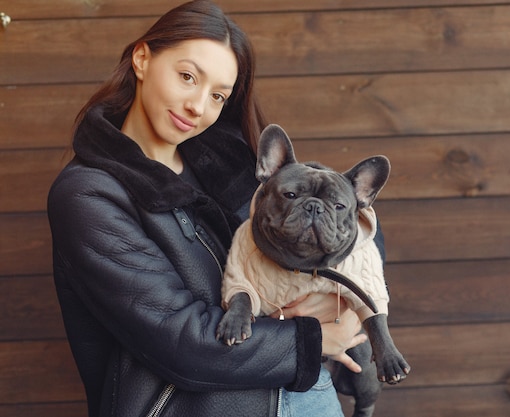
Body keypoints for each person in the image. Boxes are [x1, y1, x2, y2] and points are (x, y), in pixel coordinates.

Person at [47, 1, 371, 416]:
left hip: (300, 394)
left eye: (218, 95)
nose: (198, 107)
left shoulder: (229, 161)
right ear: (142, 59)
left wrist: (341, 301)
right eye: (187, 77)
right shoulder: (88, 195)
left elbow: (346, 219)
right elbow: (180, 340)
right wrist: (316, 339)